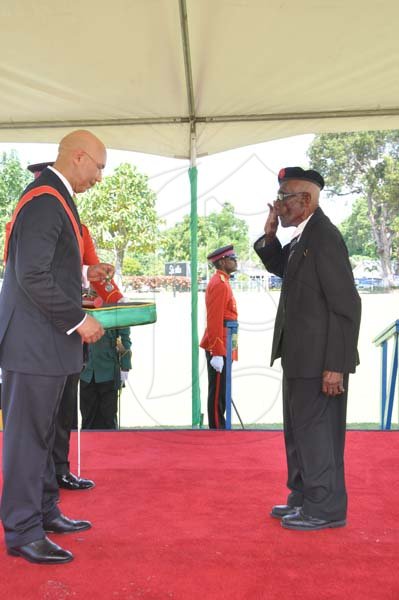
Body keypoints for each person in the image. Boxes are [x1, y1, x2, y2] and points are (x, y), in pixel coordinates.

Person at [0, 130, 111, 564]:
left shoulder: (55, 199)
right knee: (28, 439)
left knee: (45, 437)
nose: (99, 177)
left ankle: (44, 511)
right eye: (99, 167)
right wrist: (80, 319)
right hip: (35, 345)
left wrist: (86, 276)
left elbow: (51, 270)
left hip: (45, 344)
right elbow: (32, 276)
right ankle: (22, 530)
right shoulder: (46, 201)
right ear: (79, 157)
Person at [254, 166, 361, 531]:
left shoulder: (325, 237)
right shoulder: (304, 237)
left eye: (284, 197)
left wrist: (336, 365)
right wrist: (270, 236)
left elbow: (346, 305)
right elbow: (285, 268)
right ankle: (303, 496)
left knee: (318, 435)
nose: (278, 204)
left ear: (306, 200)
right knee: (299, 432)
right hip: (300, 357)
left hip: (320, 361)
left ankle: (325, 507)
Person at [200, 245, 238, 429]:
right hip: (219, 345)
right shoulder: (219, 284)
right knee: (217, 393)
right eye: (232, 257)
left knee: (221, 391)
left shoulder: (223, 281)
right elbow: (214, 318)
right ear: (222, 261)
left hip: (224, 343)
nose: (235, 260)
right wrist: (216, 350)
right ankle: (216, 429)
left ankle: (219, 426)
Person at [80, 327, 132, 429]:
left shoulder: (116, 312)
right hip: (86, 373)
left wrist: (125, 366)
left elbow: (124, 339)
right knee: (87, 420)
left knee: (108, 420)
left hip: (108, 372)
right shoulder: (83, 310)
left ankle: (111, 444)